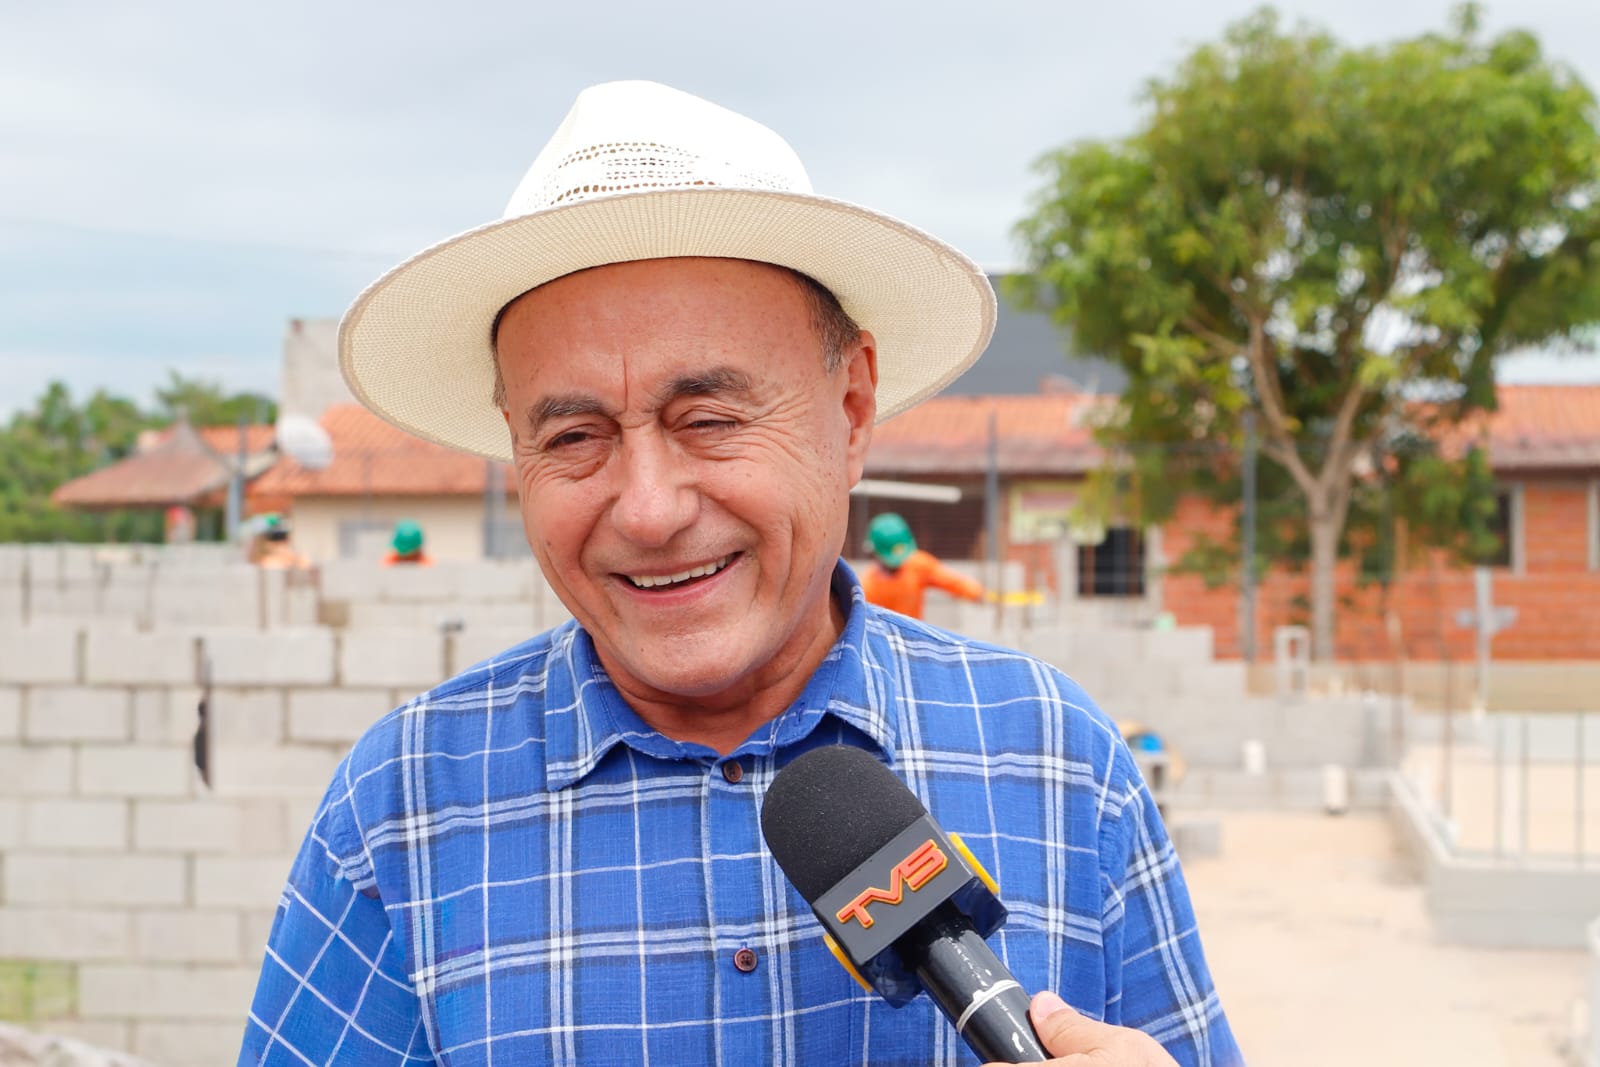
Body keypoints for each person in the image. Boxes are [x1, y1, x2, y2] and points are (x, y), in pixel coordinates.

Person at [239, 81, 1240, 1066]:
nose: (646, 506)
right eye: (575, 435)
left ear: (850, 411)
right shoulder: (401, 805)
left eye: (708, 420)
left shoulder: (1059, 760)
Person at [860, 511, 986, 619]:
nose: (898, 564)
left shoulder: (918, 565)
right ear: (875, 552)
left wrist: (973, 591)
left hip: (916, 639)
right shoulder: (868, 588)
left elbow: (951, 581)